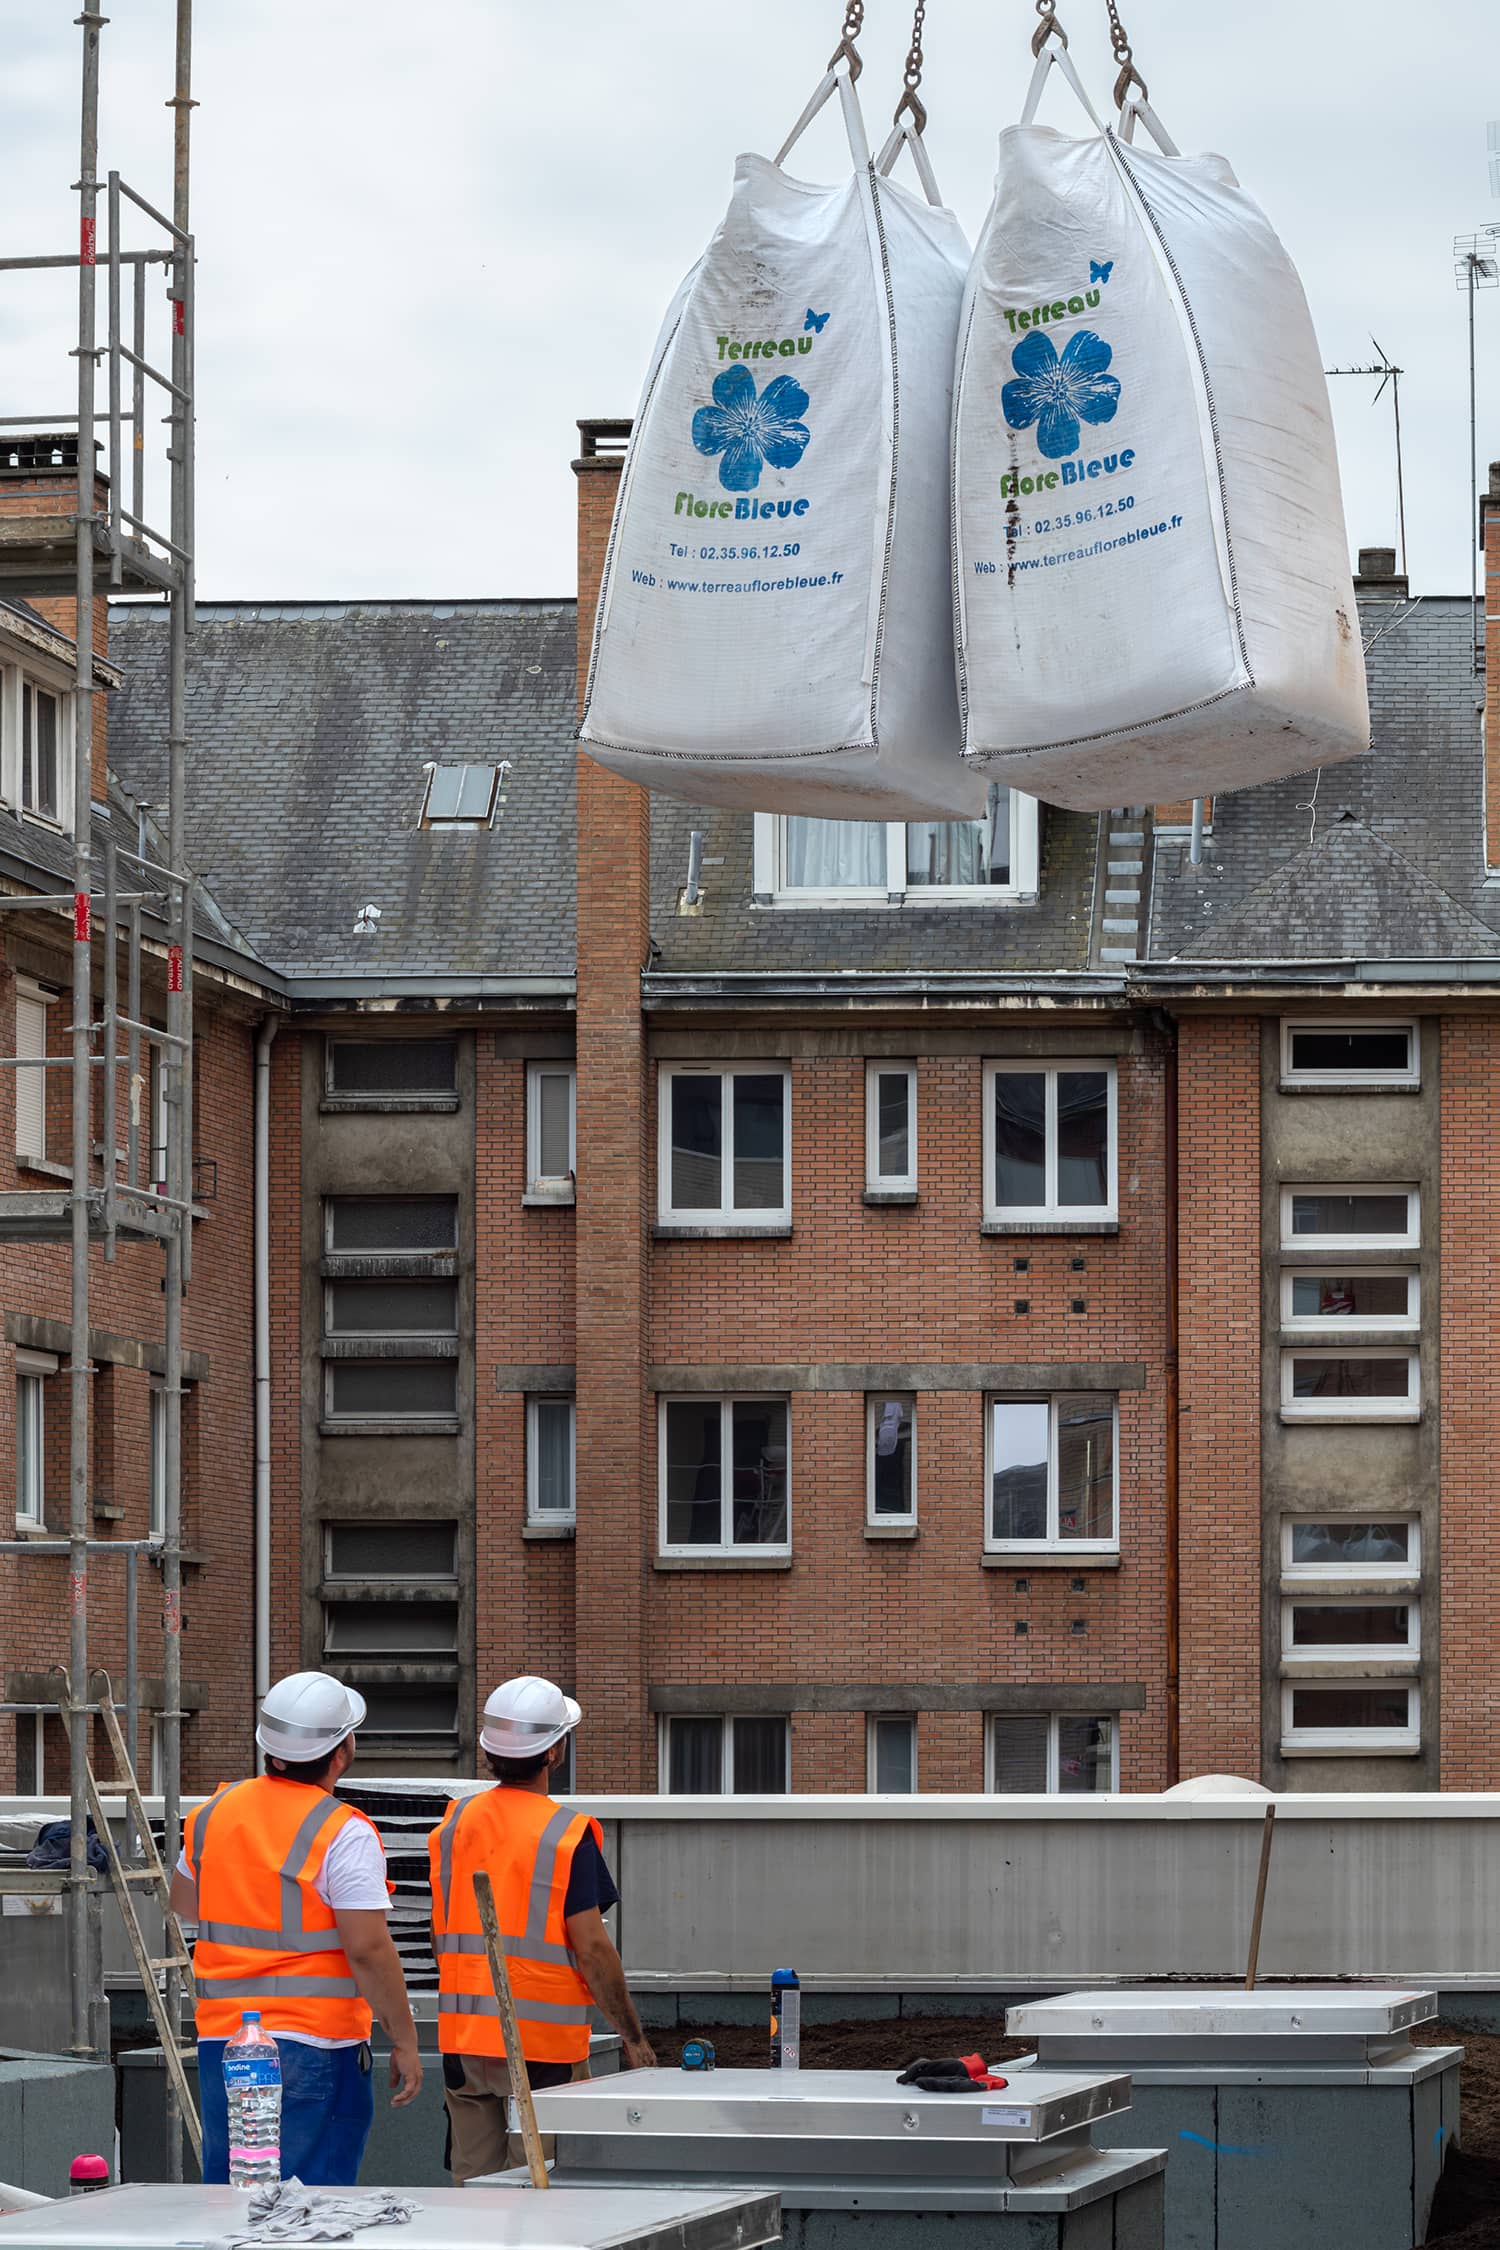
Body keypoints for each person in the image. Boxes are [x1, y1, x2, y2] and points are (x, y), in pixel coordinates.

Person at [170, 1670, 423, 2186]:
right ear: (343, 1750)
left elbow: (185, 1906)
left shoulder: (213, 1814)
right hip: (314, 2046)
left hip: (226, 2042)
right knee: (310, 2208)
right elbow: (369, 1949)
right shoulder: (342, 1830)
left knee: (234, 2200)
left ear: (268, 1747)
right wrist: (405, 2039)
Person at [428, 1675, 656, 2183]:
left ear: (489, 1751)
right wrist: (632, 2035)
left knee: (474, 2194)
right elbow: (593, 1950)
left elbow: (438, 1930)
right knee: (539, 2195)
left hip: (464, 2043)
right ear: (554, 1752)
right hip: (543, 2051)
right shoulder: (565, 1835)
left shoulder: (454, 1822)